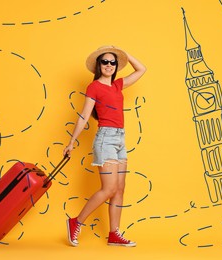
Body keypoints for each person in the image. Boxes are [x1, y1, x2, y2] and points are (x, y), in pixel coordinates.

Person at [63, 46, 146, 247]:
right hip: (105, 139)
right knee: (108, 188)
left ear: (116, 66)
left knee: (119, 189)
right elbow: (84, 116)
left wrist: (123, 53)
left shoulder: (118, 85)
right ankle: (76, 221)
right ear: (98, 66)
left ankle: (114, 234)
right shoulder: (94, 88)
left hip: (120, 139)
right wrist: (72, 142)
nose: (109, 65)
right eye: (105, 62)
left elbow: (141, 69)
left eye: (113, 62)